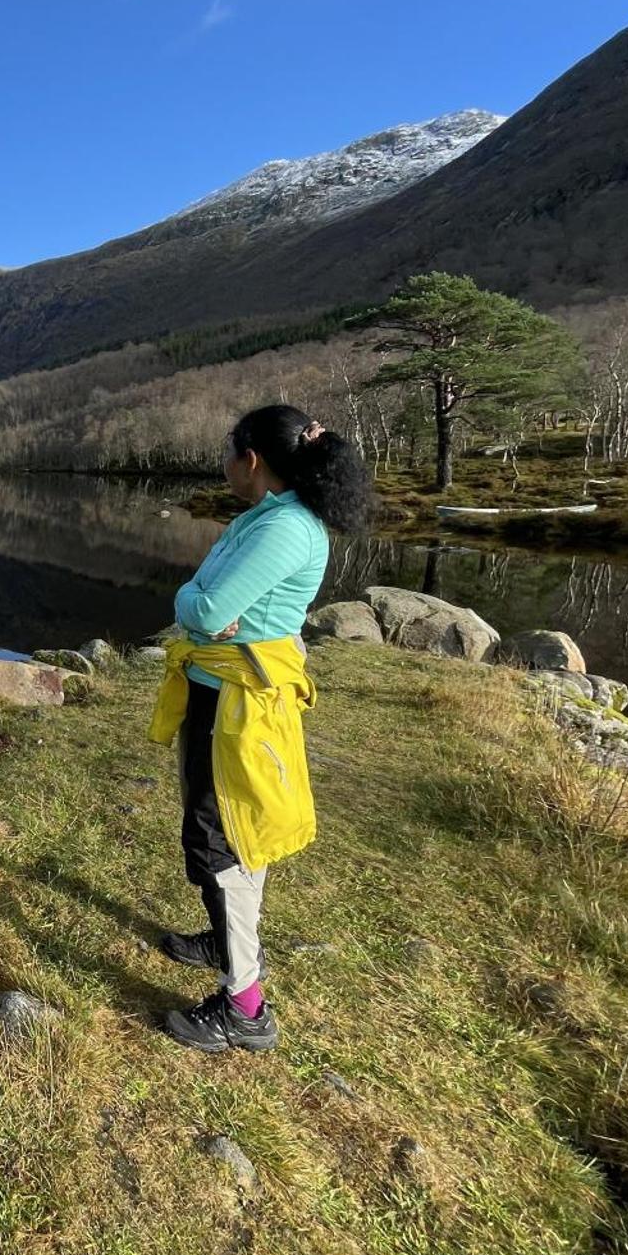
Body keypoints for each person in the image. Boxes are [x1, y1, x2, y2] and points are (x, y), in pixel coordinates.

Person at [148, 404, 372, 1054]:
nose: (222, 460)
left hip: (240, 705)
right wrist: (196, 606)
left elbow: (206, 604)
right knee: (217, 827)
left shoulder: (287, 529)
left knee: (226, 841)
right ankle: (224, 938)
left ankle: (246, 1007)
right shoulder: (267, 518)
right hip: (219, 692)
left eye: (227, 448)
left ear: (251, 460)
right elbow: (205, 603)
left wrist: (189, 605)